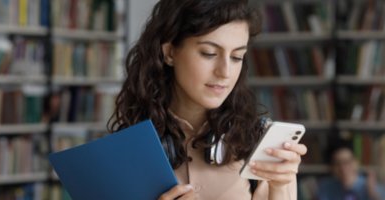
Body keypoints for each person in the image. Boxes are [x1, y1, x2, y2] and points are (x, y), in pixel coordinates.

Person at [108, 0, 307, 199]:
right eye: (209, 53)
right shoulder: (125, 149)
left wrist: (281, 188)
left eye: (237, 57)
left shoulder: (260, 142)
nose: (225, 72)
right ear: (169, 52)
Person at [318, 139, 385, 200]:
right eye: (338, 163)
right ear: (332, 167)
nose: (343, 168)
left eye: (347, 162)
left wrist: (373, 194)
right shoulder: (326, 188)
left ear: (356, 163)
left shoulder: (372, 186)